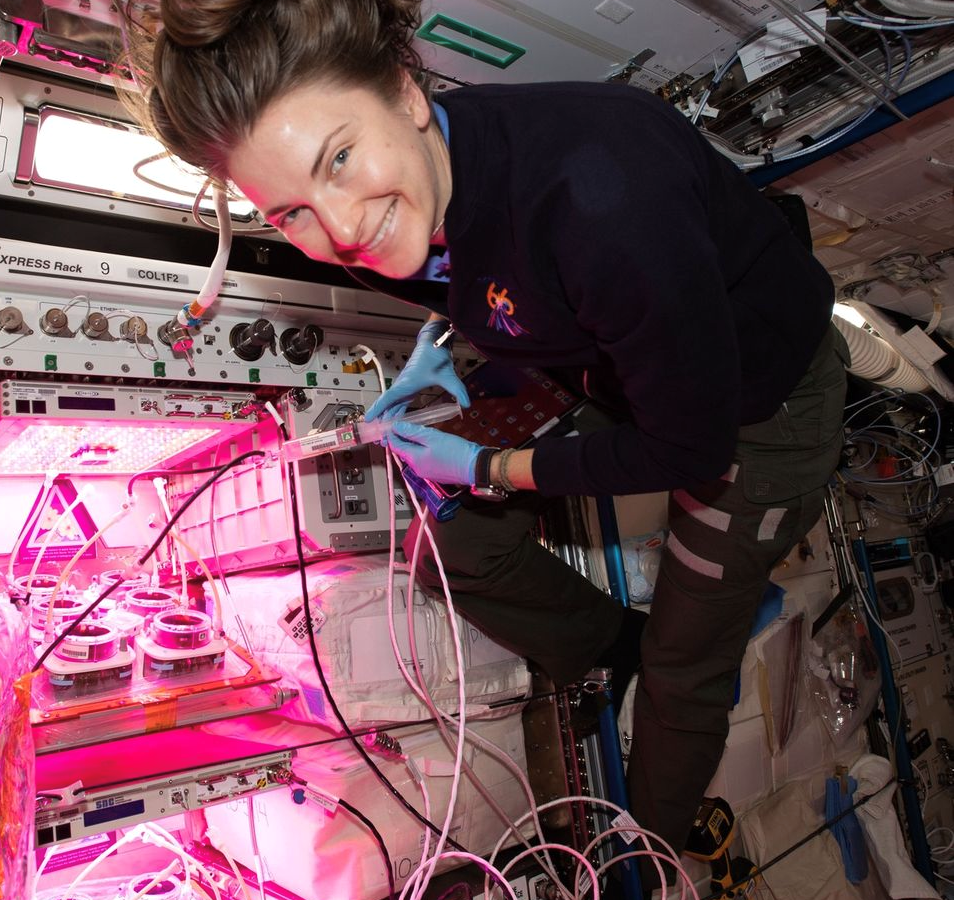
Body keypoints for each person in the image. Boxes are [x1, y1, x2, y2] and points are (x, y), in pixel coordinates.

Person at [129, 0, 849, 887]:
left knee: (682, 670)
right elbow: (468, 267)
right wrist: (462, 351)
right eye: (292, 212)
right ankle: (611, 643)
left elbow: (687, 450)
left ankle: (643, 858)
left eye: (341, 160)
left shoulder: (601, 190)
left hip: (753, 411)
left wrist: (489, 464)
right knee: (454, 538)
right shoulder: (388, 194)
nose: (342, 228)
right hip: (610, 364)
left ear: (406, 92)